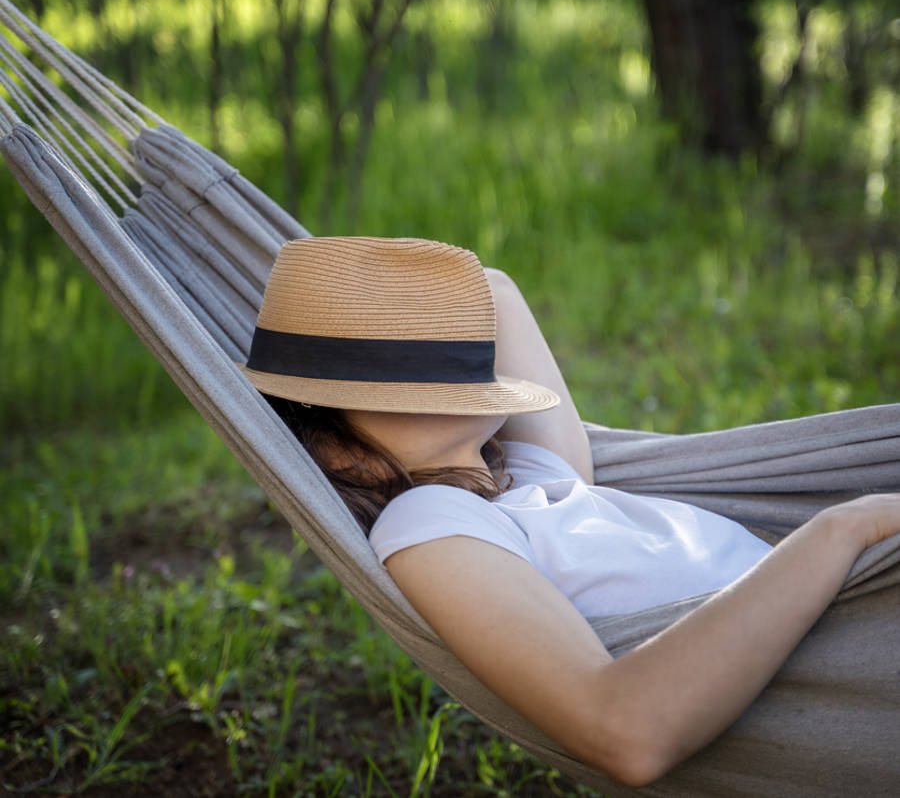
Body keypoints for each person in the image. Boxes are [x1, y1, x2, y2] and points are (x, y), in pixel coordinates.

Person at [239, 235, 900, 788]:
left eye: (449, 350)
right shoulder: (432, 523)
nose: (454, 369)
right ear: (334, 451)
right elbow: (626, 734)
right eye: (408, 377)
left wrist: (416, 292)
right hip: (849, 649)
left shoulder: (532, 474)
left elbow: (493, 289)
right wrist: (847, 527)